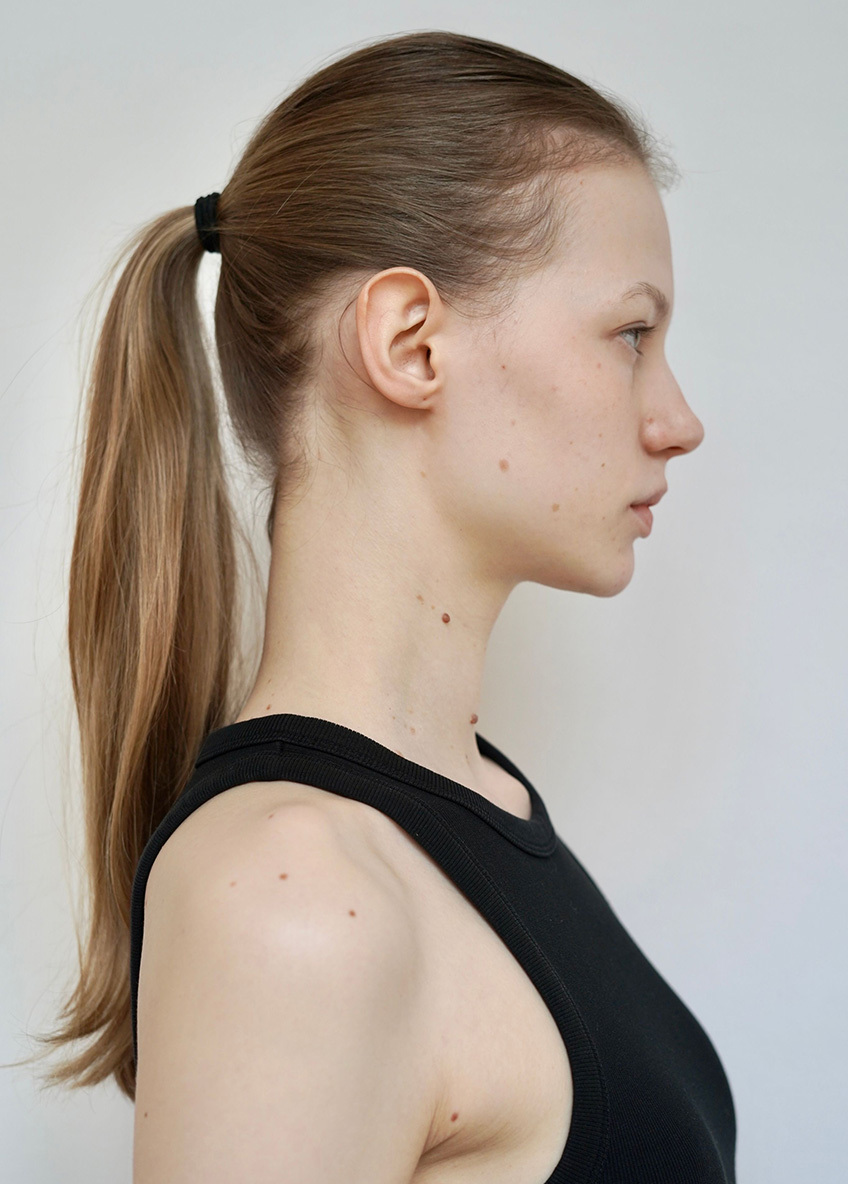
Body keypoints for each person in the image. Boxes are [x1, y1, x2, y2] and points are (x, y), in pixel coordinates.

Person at [28, 29, 735, 1183]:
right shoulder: (293, 895)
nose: (677, 418)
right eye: (628, 333)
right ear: (409, 342)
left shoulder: (475, 805)